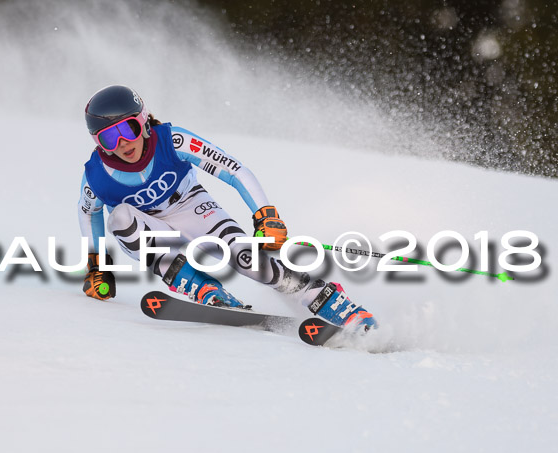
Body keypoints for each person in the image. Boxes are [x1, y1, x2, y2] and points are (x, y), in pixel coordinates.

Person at [78, 84, 376, 328]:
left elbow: (234, 170)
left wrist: (266, 216)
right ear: (98, 142)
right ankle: (203, 288)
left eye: (127, 130)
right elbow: (88, 213)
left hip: (191, 206)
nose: (121, 144)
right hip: (151, 227)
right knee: (119, 217)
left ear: (142, 122)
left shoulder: (174, 140)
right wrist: (97, 266)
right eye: (109, 137)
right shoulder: (96, 175)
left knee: (247, 260)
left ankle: (331, 302)